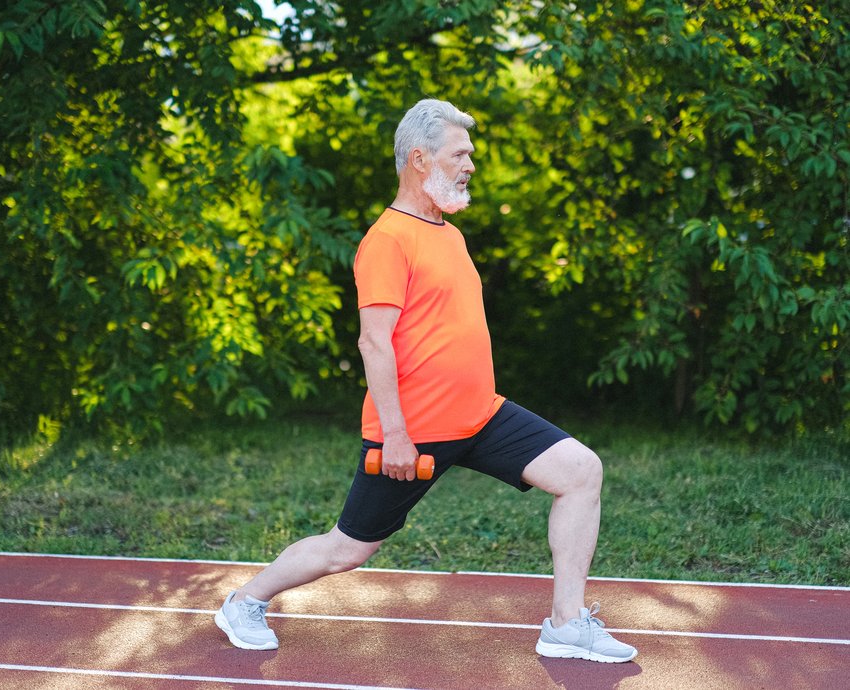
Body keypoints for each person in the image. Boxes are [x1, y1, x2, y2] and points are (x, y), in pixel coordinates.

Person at [215, 99, 638, 664]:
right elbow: (374, 342)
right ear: (420, 158)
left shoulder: (450, 234)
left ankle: (566, 624)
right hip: (413, 430)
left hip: (482, 415)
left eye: (470, 155)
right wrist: (394, 434)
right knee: (349, 549)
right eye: (460, 153)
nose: (470, 165)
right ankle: (246, 601)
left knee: (582, 471)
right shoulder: (388, 240)